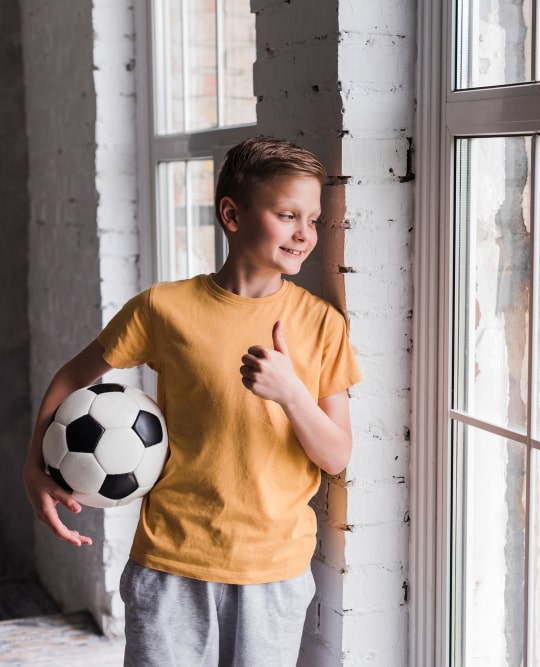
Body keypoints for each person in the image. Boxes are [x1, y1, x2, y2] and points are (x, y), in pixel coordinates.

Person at [22, 136, 362, 665]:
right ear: (232, 214)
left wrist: (291, 392)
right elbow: (73, 375)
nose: (304, 233)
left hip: (272, 569)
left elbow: (336, 455)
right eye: (288, 214)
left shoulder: (322, 324)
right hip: (170, 561)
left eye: (313, 219)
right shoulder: (165, 308)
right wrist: (33, 465)